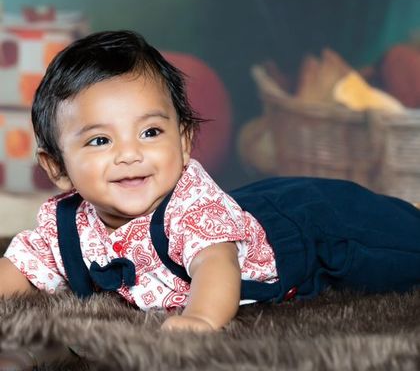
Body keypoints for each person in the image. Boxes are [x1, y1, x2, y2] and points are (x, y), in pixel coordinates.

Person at [1, 30, 420, 334]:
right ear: (57, 166)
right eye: (99, 140)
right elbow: (19, 269)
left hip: (302, 225)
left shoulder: (191, 208)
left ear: (184, 143)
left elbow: (214, 265)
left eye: (150, 132)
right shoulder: (67, 224)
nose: (129, 154)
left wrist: (200, 319)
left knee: (391, 239)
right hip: (245, 205)